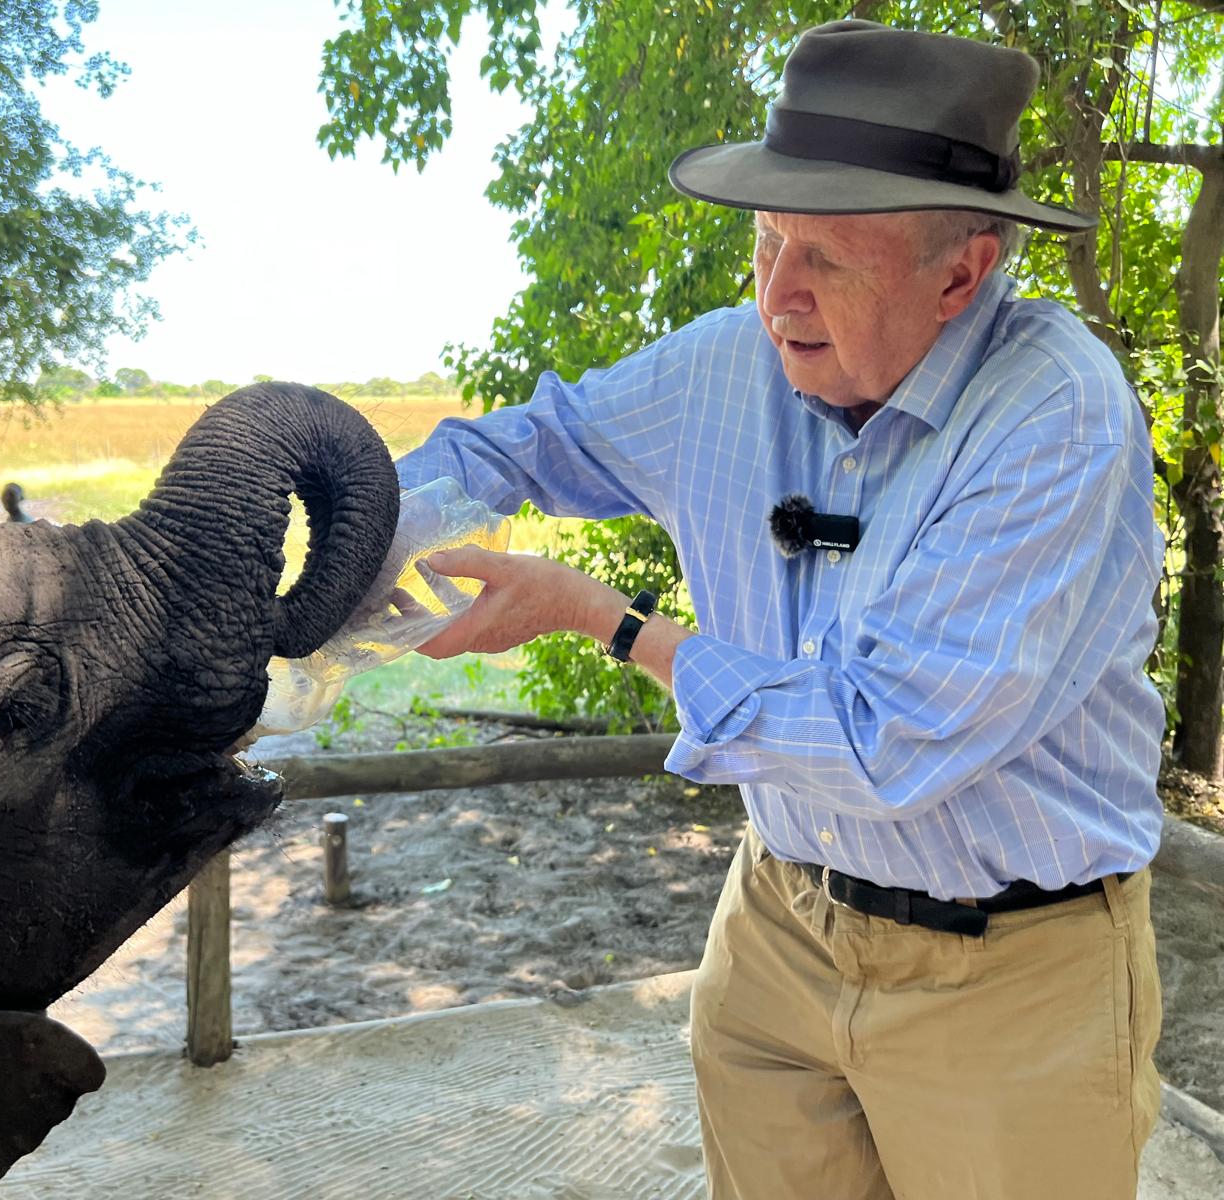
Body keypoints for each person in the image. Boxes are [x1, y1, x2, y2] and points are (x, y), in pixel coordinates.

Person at [396, 19, 1163, 1200]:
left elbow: (880, 740)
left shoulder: (1054, 414)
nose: (776, 298)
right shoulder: (728, 365)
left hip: (1014, 979)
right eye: (764, 243)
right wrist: (339, 534)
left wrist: (611, 624)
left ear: (961, 274)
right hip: (778, 930)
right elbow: (523, 443)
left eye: (829, 261)